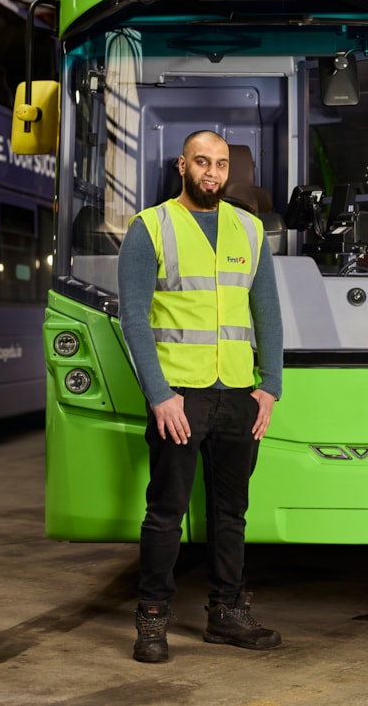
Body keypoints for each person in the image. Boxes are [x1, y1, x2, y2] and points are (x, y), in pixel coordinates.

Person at [117, 130, 284, 664]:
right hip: (180, 398)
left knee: (231, 513)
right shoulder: (151, 228)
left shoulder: (251, 230)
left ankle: (227, 613)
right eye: (201, 163)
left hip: (238, 396)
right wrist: (159, 396)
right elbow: (134, 320)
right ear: (181, 165)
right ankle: (151, 619)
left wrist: (271, 385)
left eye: (220, 164)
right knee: (165, 513)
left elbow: (269, 314)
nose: (212, 172)